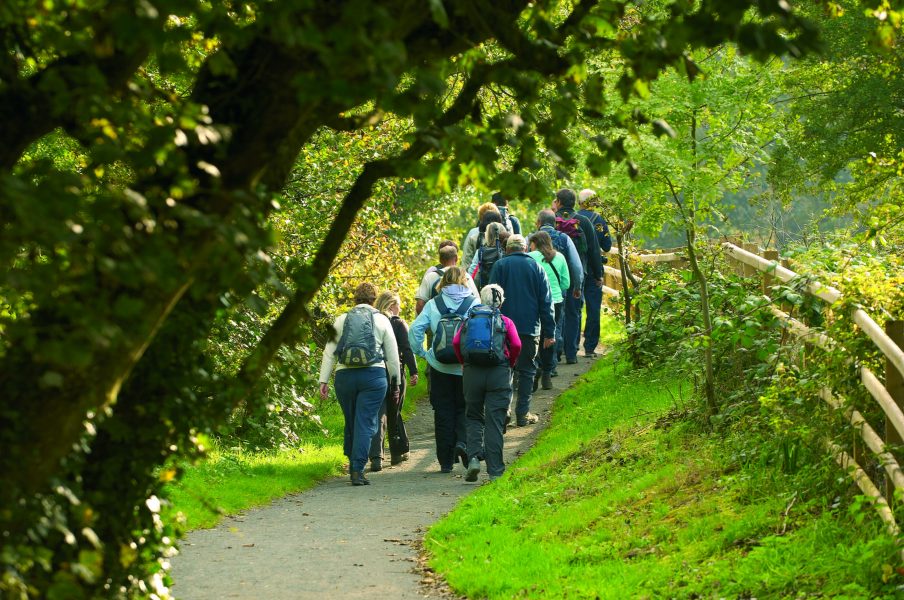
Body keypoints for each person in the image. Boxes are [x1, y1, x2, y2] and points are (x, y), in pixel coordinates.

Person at [319, 283, 401, 486]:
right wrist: (396, 383)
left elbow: (329, 352)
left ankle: (352, 460)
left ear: (354, 299)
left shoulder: (341, 319)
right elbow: (392, 356)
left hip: (344, 376)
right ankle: (357, 469)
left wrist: (323, 380)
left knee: (352, 420)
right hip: (373, 376)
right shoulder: (381, 320)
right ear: (374, 299)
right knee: (366, 422)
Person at [408, 267, 478, 472]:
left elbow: (415, 330)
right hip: (466, 367)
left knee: (442, 411)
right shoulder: (474, 303)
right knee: (465, 409)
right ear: (464, 281)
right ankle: (463, 444)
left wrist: (423, 353)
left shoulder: (433, 304)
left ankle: (445, 462)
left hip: (440, 367)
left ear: (443, 282)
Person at [453, 284, 522, 482]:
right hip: (498, 374)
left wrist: (464, 363)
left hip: (472, 373)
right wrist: (509, 362)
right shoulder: (505, 321)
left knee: (474, 416)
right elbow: (516, 344)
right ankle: (495, 471)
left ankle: (474, 458)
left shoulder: (469, 320)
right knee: (494, 421)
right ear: (501, 301)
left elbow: (457, 342)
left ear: (481, 299)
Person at [488, 235, 556, 427]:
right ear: (525, 249)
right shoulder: (537, 268)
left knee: (504, 369)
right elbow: (546, 303)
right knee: (527, 370)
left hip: (503, 329)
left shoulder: (499, 266)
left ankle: (504, 412)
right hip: (529, 329)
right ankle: (523, 414)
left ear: (508, 249)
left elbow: (491, 299)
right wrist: (549, 332)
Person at [368, 292, 419, 471]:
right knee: (394, 411)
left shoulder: (372, 322)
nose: (400, 309)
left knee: (379, 413)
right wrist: (413, 371)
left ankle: (377, 455)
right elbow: (406, 348)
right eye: (398, 305)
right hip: (395, 372)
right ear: (391, 306)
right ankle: (397, 452)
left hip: (375, 372)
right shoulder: (397, 323)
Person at [553, 188, 602, 364]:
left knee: (556, 312)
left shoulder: (551, 221)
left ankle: (556, 352)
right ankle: (572, 353)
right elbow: (594, 250)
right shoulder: (584, 221)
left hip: (554, 274)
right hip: (577, 273)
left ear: (558, 202)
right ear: (574, 203)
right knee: (574, 312)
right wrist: (598, 274)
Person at [536, 209, 583, 368]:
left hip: (535, 292)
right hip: (557, 292)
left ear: (538, 223)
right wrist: (577, 286)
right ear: (556, 223)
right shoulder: (564, 239)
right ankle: (554, 363)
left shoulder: (532, 239)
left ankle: (541, 364)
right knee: (556, 326)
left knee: (538, 327)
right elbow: (576, 265)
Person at [528, 231, 570, 390]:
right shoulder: (559, 257)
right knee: (549, 336)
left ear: (535, 243)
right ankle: (547, 374)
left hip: (535, 303)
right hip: (556, 302)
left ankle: (535, 368)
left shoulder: (530, 257)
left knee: (535, 336)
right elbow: (566, 283)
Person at [577, 188, 613, 357]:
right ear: (594, 203)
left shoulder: (570, 219)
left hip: (574, 268)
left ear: (579, 202)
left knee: (574, 306)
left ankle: (571, 343)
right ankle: (590, 347)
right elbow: (607, 246)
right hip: (593, 269)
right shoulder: (598, 220)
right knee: (592, 308)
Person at [415, 242, 479, 315]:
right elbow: (477, 301)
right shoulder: (465, 276)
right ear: (456, 258)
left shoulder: (430, 277)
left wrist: (429, 323)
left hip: (437, 324)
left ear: (440, 260)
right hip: (462, 323)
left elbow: (420, 305)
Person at [460, 202, 501, 270]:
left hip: (477, 276)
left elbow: (466, 260)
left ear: (480, 217)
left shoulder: (473, 233)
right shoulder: (503, 235)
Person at [467, 221, 507, 290]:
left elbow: (472, 273)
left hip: (485, 289)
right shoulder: (506, 251)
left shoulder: (481, 251)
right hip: (503, 289)